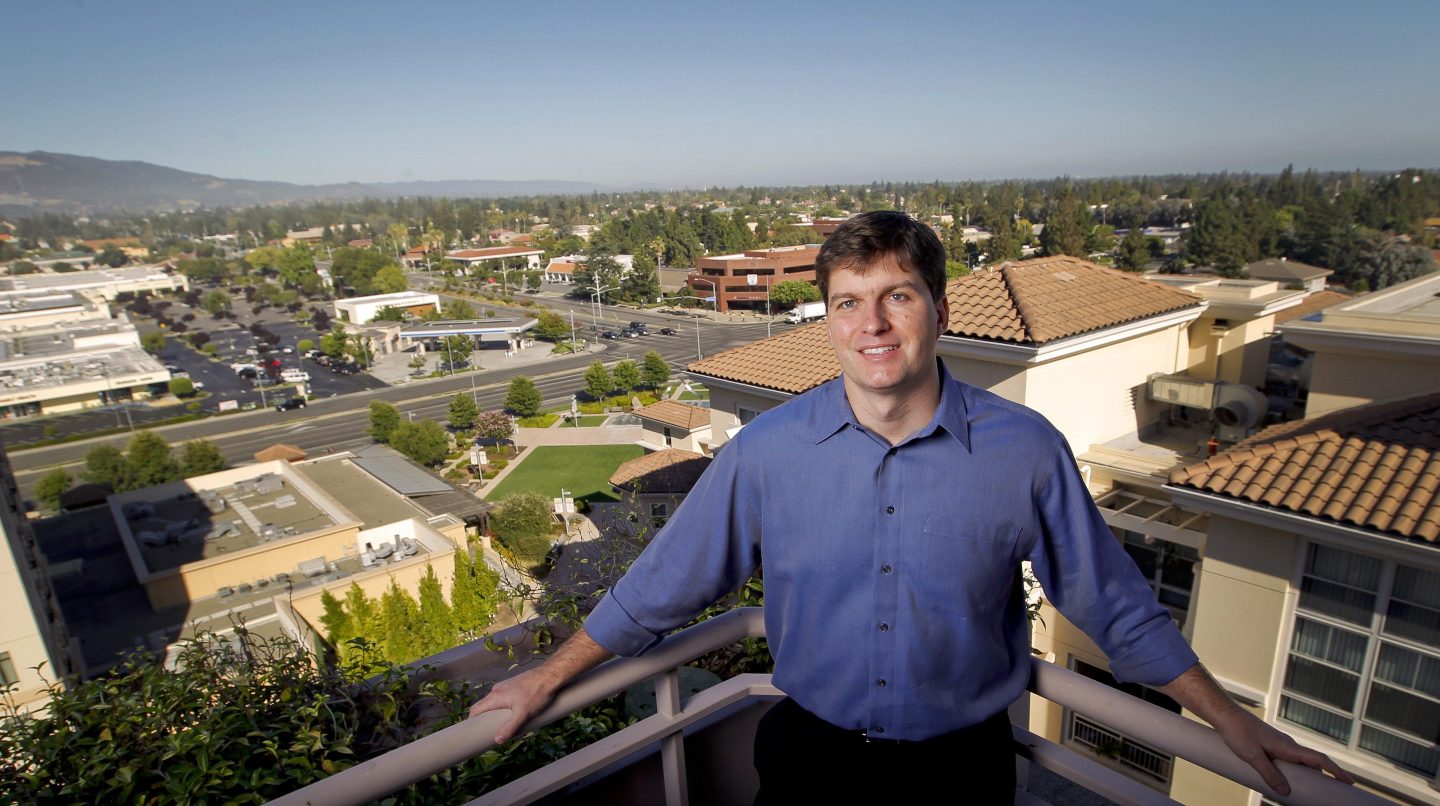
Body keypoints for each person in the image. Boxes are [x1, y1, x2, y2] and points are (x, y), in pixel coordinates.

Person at [471, 211, 1352, 801]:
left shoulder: (1025, 449)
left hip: (959, 775)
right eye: (847, 303)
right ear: (828, 320)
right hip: (809, 765)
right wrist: (546, 676)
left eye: (896, 295)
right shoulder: (769, 452)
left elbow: (1113, 606)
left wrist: (1230, 720)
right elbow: (661, 586)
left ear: (934, 307)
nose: (873, 324)